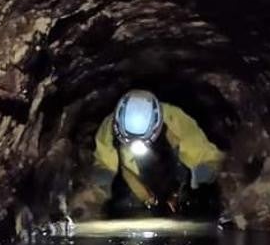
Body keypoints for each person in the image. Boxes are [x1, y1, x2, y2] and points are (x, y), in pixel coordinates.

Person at [92, 90, 223, 215]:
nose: (136, 144)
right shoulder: (110, 127)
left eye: (142, 139)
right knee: (125, 204)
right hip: (137, 176)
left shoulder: (175, 120)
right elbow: (105, 166)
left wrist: (193, 185)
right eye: (129, 140)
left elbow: (207, 158)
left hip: (174, 167)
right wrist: (96, 196)